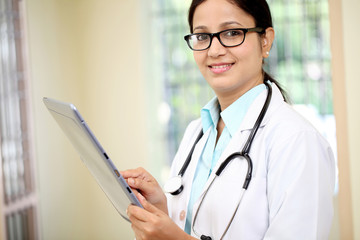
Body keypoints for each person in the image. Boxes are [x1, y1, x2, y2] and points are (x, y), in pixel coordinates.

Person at [122, 0, 335, 239]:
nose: (214, 51)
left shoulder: (297, 141)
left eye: (232, 33)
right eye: (202, 37)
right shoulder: (197, 133)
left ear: (266, 40)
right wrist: (161, 209)